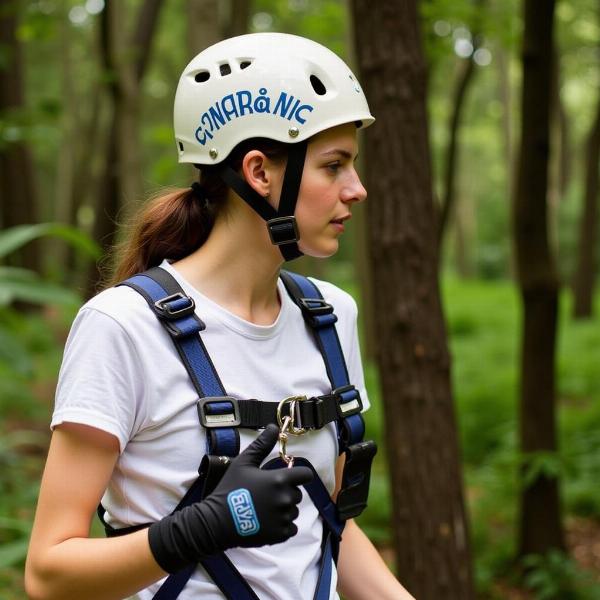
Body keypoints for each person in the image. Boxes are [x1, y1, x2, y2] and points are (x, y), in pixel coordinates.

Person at [25, 33, 414, 600]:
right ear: (259, 172)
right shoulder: (123, 326)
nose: (358, 189)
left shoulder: (330, 317)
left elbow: (329, 526)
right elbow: (47, 574)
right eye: (335, 166)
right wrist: (200, 528)